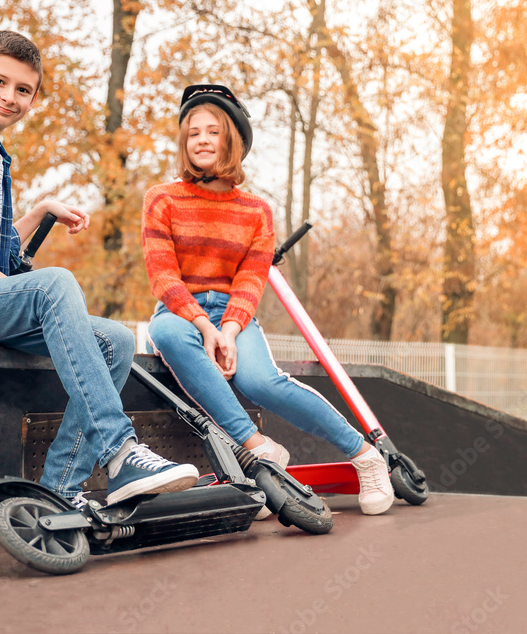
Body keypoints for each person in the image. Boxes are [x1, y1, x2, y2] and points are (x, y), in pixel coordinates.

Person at [0, 30, 198, 506]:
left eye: (23, 89)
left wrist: (39, 212)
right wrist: (32, 296)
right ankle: (120, 452)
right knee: (54, 284)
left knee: (113, 340)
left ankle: (60, 487)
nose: (9, 97)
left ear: (32, 99)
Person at [141, 84, 394, 516]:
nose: (201, 140)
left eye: (212, 131)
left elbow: (252, 279)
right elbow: (163, 274)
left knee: (259, 381)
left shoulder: (257, 210)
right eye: (192, 133)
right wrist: (204, 326)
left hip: (236, 316)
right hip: (183, 313)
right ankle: (261, 450)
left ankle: (366, 455)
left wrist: (231, 330)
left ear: (233, 140)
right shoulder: (162, 198)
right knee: (163, 330)